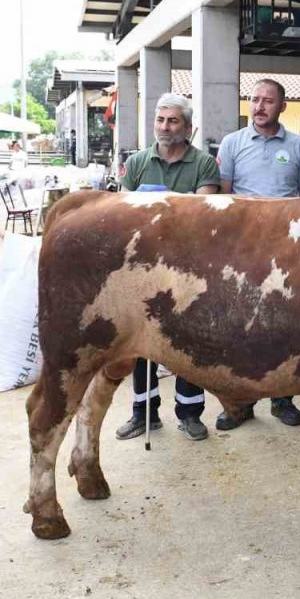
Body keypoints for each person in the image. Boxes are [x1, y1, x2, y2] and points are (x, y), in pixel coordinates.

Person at [115, 92, 220, 442]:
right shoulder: (137, 163)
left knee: (187, 341)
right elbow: (122, 213)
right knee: (142, 342)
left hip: (187, 268)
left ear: (188, 127)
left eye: (173, 120)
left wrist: (158, 205)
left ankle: (190, 414)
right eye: (160, 120)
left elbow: (202, 217)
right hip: (143, 266)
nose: (164, 126)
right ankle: (143, 414)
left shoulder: (204, 164)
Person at [214, 77, 300, 430]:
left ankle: (282, 398)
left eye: (268, 101)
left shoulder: (299, 145)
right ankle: (238, 404)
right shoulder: (232, 144)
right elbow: (222, 200)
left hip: (285, 250)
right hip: (243, 250)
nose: (259, 106)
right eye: (255, 99)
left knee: (284, 323)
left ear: (282, 106)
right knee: (239, 324)